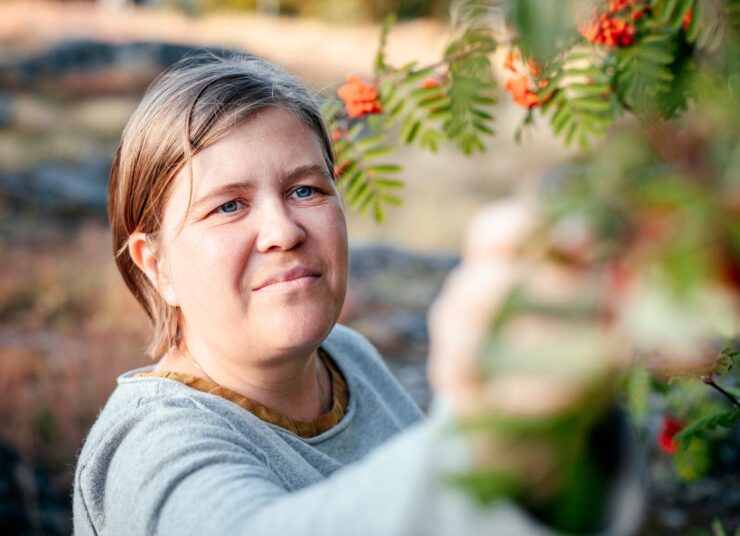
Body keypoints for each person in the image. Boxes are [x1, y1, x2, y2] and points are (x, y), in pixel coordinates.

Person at [73, 54, 644, 535]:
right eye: (228, 205)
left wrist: (558, 427)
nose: (283, 231)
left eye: (305, 189)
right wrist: (484, 431)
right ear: (157, 266)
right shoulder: (147, 445)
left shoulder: (349, 359)